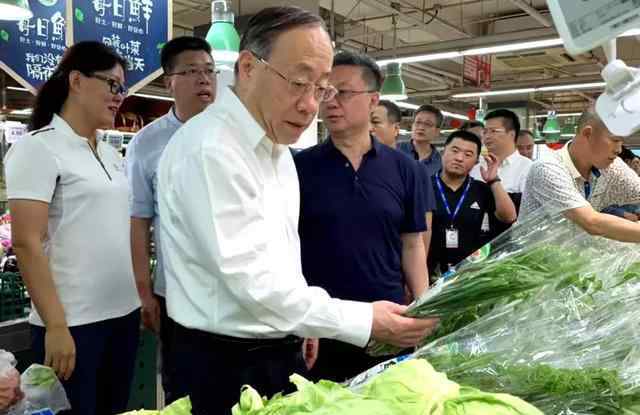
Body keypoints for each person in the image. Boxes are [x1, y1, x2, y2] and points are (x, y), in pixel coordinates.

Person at [155, 7, 437, 414]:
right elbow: (250, 282)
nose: (310, 105)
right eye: (299, 83)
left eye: (321, 89)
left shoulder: (277, 150)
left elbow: (282, 252)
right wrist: (363, 321)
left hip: (276, 346)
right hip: (224, 362)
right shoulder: (211, 149)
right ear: (249, 67)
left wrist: (304, 321)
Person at [5, 42, 140, 415]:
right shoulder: (39, 149)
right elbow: (27, 243)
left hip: (122, 315)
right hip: (75, 325)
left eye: (122, 88)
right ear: (77, 81)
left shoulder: (111, 154)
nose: (119, 97)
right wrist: (56, 325)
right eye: (112, 85)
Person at [296, 51, 436, 383]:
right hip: (320, 325)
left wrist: (425, 308)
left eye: (342, 92)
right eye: (324, 91)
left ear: (373, 100)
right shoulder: (298, 168)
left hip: (387, 324)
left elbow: (413, 245)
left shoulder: (407, 170)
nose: (330, 101)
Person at [125, 36, 216, 404]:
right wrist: (145, 293)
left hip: (234, 289)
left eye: (209, 71)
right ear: (169, 82)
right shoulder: (147, 144)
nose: (204, 80)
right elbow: (139, 221)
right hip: (176, 292)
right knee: (182, 387)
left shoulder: (235, 133)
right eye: (192, 71)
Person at [520, 108, 640, 241]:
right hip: (529, 258)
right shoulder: (547, 169)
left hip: (571, 258)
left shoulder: (612, 166)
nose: (618, 150)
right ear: (588, 133)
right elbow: (592, 223)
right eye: (615, 140)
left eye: (621, 142)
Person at [428, 130, 517, 277]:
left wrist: (494, 180)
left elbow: (509, 217)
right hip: (429, 272)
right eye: (454, 151)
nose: (459, 158)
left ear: (476, 161)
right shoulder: (424, 186)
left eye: (468, 155)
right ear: (443, 152)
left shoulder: (481, 189)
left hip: (470, 274)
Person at [370, 99, 436, 270]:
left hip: (398, 264)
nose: (369, 128)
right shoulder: (357, 167)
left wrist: (417, 274)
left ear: (396, 129)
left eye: (375, 122)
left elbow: (424, 229)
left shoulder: (413, 169)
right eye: (365, 121)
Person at [397, 104, 443, 177]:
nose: (421, 127)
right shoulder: (395, 151)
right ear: (412, 125)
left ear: (437, 131)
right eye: (418, 122)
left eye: (428, 124)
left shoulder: (440, 163)